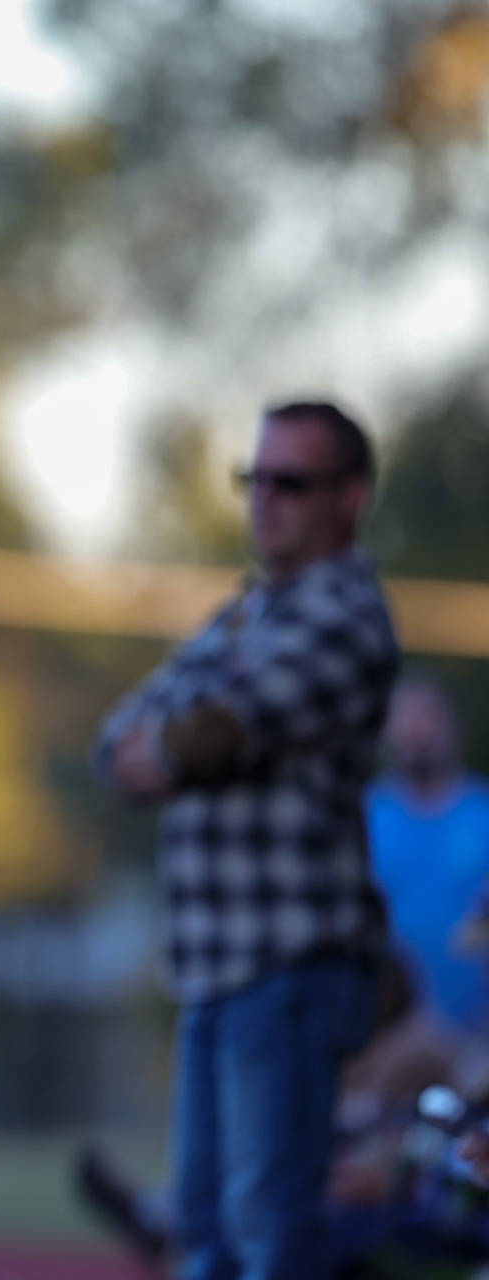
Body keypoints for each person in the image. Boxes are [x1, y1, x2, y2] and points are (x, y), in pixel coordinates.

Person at [94, 400, 402, 1280]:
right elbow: (119, 739)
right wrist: (168, 745)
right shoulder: (248, 615)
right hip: (219, 966)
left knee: (268, 1232)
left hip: (292, 964)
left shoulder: (347, 615)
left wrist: (168, 746)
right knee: (203, 1230)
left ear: (351, 496)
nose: (264, 499)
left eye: (291, 482)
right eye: (254, 478)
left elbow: (221, 729)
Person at [362, 677, 489, 1094]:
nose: (417, 731)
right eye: (405, 719)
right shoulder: (364, 819)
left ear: (453, 728)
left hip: (476, 1041)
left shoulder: (481, 815)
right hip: (384, 1045)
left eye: (427, 717)